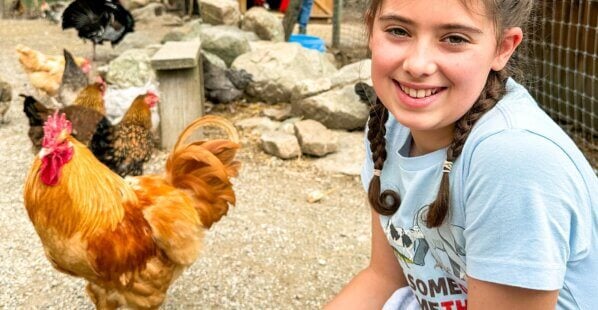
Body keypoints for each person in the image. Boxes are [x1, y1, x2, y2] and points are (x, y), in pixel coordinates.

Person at [326, 0, 598, 309]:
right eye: (398, 31)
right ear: (370, 29)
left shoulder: (514, 159)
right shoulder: (389, 126)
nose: (418, 65)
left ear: (503, 48)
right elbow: (384, 278)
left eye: (454, 38)